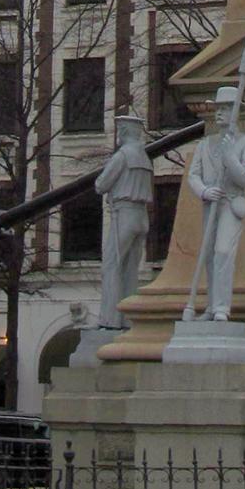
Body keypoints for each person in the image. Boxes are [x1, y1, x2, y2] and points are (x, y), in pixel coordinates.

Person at [184, 84, 245, 322]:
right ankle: (210, 306)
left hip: (231, 203)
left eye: (226, 108)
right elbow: (193, 175)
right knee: (208, 254)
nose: (219, 113)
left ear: (236, 112)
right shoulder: (205, 144)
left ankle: (221, 308)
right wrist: (205, 191)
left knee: (223, 251)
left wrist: (229, 156)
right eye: (218, 108)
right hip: (211, 203)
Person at [95, 112, 153, 329]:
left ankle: (110, 319)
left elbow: (101, 184)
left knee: (112, 264)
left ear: (124, 131)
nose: (117, 134)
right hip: (141, 216)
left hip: (124, 214)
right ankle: (128, 318)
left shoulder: (122, 156)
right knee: (131, 269)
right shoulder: (145, 158)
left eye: (119, 129)